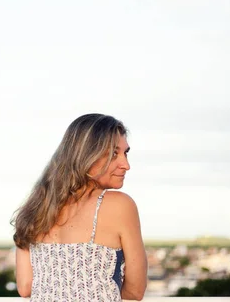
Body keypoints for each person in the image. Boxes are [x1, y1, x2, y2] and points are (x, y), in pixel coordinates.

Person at [12, 113, 147, 301]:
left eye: (125, 153)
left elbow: (26, 287)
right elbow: (135, 291)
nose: (126, 164)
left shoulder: (34, 209)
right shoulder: (120, 205)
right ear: (86, 155)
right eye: (113, 153)